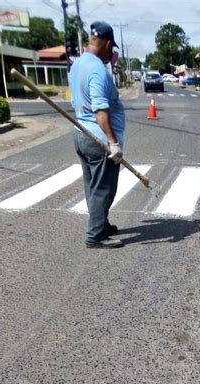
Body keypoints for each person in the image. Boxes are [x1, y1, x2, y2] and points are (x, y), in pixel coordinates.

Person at [69, 21, 125, 249]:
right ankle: (95, 235)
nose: (112, 54)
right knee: (104, 188)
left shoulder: (78, 64)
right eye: (112, 49)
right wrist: (113, 143)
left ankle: (101, 223)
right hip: (98, 138)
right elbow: (101, 111)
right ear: (108, 44)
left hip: (81, 133)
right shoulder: (98, 71)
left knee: (92, 184)